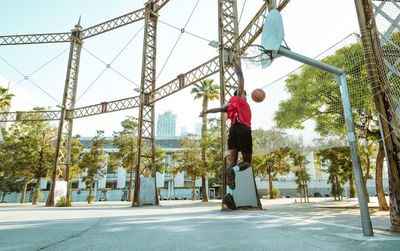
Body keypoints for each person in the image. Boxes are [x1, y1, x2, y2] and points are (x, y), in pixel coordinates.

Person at [199, 53, 252, 210]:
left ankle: (230, 195)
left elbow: (219, 109)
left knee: (232, 161)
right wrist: (234, 62)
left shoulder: (230, 104)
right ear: (241, 94)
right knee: (247, 162)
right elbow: (240, 75)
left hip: (233, 130)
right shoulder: (241, 98)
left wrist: (206, 111)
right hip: (243, 128)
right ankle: (233, 170)